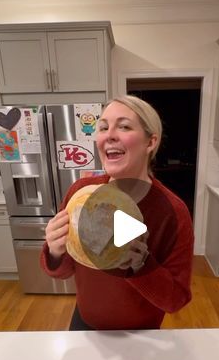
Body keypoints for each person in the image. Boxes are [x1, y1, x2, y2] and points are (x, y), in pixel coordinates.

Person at [40, 95, 194, 330]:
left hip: (142, 334)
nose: (109, 135)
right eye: (103, 127)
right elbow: (63, 271)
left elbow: (176, 300)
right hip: (86, 324)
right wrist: (55, 251)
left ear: (150, 142)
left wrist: (142, 265)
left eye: (123, 126)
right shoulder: (80, 194)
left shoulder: (172, 211)